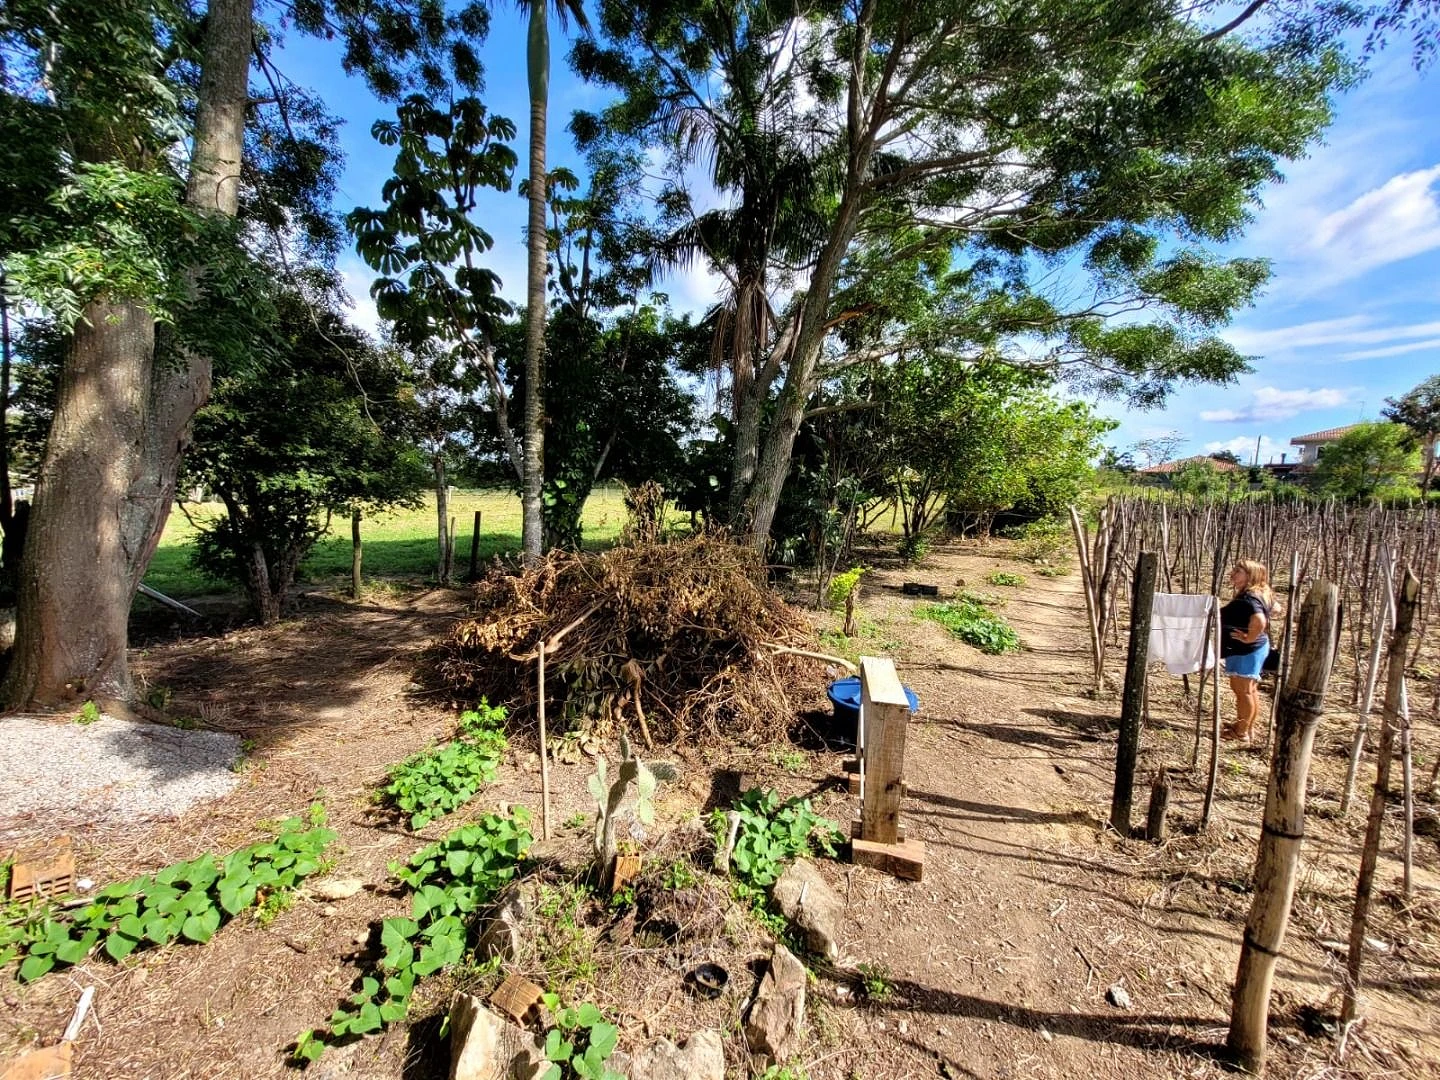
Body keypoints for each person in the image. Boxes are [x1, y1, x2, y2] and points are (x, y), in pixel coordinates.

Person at [1221, 559, 1274, 742]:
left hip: (1247, 650)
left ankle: (1241, 732)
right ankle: (1246, 726)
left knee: (1242, 690)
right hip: (1255, 648)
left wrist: (1249, 637)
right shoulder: (1260, 593)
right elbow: (1277, 608)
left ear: (1250, 575)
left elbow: (1260, 620)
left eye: (1238, 571)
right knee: (1249, 689)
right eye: (1234, 569)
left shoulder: (1249, 598)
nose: (1233, 574)